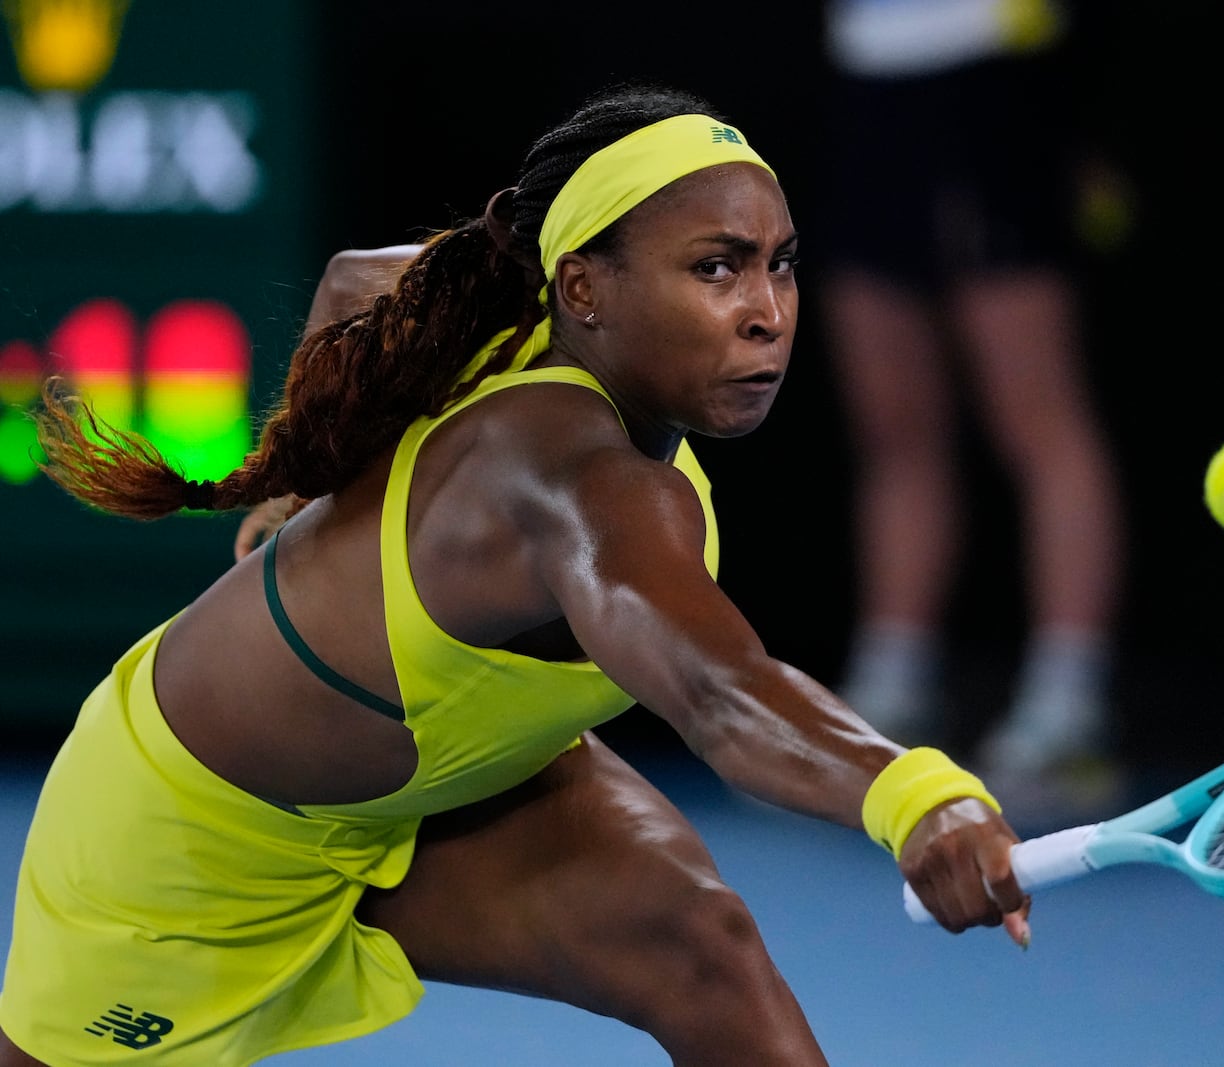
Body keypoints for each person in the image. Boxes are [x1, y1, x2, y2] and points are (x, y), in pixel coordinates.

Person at [0, 84, 1030, 1067]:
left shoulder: (513, 306)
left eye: (780, 263)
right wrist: (913, 794)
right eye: (716, 268)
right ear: (583, 285)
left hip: (441, 786)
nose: (767, 311)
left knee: (698, 947)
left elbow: (359, 273)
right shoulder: (569, 477)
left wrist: (302, 482)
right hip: (183, 841)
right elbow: (718, 692)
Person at [818, 0, 1127, 818]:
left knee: (1040, 418)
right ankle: (892, 692)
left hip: (996, 70)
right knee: (893, 422)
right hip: (866, 76)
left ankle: (1068, 708)